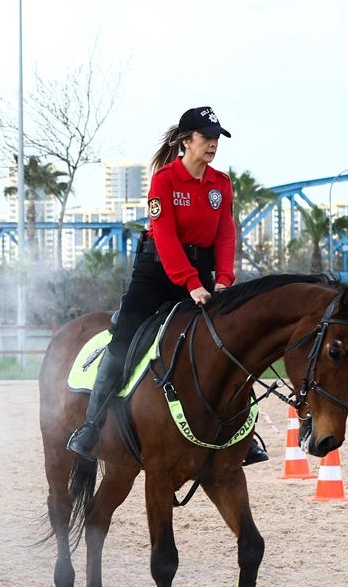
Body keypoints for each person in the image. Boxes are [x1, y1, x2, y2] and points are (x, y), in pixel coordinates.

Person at [66, 107, 268, 466]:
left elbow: (225, 234)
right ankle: (91, 426)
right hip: (157, 273)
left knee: (230, 341)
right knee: (124, 337)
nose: (213, 144)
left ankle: (243, 433)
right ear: (186, 141)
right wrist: (190, 284)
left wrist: (223, 280)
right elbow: (166, 238)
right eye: (206, 137)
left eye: (216, 138)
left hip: (203, 274)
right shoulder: (165, 180)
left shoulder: (221, 184)